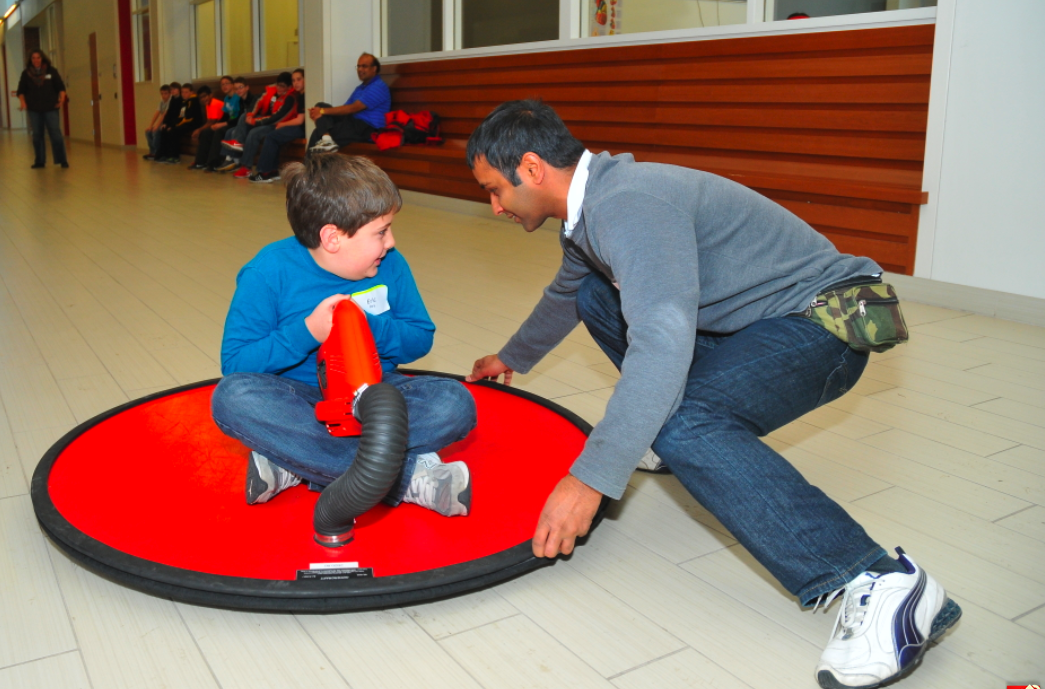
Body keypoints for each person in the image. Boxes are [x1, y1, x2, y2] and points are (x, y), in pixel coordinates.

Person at [463, 100, 961, 689]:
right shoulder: (589, 215)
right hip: (754, 326)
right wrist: (512, 357)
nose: (494, 206)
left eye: (495, 189)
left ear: (532, 167)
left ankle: (876, 581)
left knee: (686, 426)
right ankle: (670, 425)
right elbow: (567, 294)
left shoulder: (627, 205)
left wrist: (592, 475)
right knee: (596, 296)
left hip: (821, 325)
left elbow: (663, 338)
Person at [211, 153, 476, 516]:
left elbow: (420, 338)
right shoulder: (267, 271)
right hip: (300, 403)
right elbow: (237, 363)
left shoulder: (390, 265)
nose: (392, 242)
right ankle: (407, 477)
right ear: (332, 238)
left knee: (455, 403)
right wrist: (307, 332)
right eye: (381, 232)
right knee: (232, 398)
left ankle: (293, 460)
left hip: (377, 396)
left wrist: (369, 327)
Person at [307, 53, 389, 154]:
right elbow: (346, 108)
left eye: (364, 66)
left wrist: (322, 112)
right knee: (320, 105)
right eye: (358, 66)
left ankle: (325, 142)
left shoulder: (378, 86)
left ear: (374, 69)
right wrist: (320, 111)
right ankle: (326, 138)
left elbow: (353, 108)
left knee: (317, 133)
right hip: (352, 121)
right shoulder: (360, 88)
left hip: (366, 128)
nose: (360, 69)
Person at [230, 71, 302, 179]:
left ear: (288, 87)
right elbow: (258, 101)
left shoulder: (290, 97)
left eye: (282, 86)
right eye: (278, 85)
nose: (279, 88)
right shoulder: (272, 91)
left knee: (254, 133)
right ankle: (237, 144)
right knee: (242, 119)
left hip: (278, 124)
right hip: (269, 120)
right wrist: (251, 115)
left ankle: (247, 167)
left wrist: (256, 121)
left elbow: (278, 117)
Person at [251, 68, 306, 183]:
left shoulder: (305, 96)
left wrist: (283, 124)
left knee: (272, 136)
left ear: (306, 79)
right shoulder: (299, 95)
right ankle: (272, 171)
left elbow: (300, 121)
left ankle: (265, 172)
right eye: (293, 80)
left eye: (299, 79)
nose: (296, 82)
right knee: (273, 136)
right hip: (298, 126)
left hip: (302, 129)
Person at [16, 49, 69, 169]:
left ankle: (62, 160)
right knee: (37, 135)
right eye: (33, 58)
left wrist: (62, 99)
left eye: (38, 58)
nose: (36, 60)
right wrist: (23, 102)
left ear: (42, 58)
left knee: (55, 133)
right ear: (30, 60)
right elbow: (21, 91)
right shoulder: (26, 73)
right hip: (34, 109)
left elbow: (60, 87)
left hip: (51, 107)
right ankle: (39, 161)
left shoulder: (51, 71)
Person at [213, 77, 261, 172]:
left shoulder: (253, 98)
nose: (238, 90)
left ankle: (236, 152)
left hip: (255, 123)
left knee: (237, 125)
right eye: (236, 88)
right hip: (245, 125)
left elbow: (252, 115)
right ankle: (230, 159)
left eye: (241, 87)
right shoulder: (240, 100)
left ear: (247, 87)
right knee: (230, 131)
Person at [189, 75, 236, 171]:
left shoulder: (236, 98)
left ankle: (213, 163)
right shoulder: (227, 98)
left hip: (233, 123)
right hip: (226, 122)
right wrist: (218, 123)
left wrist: (220, 124)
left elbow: (235, 116)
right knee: (206, 132)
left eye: (226, 83)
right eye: (222, 84)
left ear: (232, 85)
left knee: (217, 131)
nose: (224, 86)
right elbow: (225, 115)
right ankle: (200, 162)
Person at [157, 83, 203, 163]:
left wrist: (174, 125)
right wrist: (168, 124)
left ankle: (174, 156)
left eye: (186, 92)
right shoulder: (184, 101)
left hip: (192, 123)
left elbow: (188, 118)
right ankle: (164, 154)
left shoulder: (193, 101)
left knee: (173, 131)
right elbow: (179, 115)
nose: (184, 94)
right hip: (184, 122)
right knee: (165, 129)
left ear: (191, 92)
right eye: (182, 92)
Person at [143, 84, 173, 161]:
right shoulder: (161, 102)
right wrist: (150, 126)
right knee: (148, 132)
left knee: (156, 131)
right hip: (162, 123)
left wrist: (157, 126)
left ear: (170, 93)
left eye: (165, 93)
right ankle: (152, 151)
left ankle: (158, 152)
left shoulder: (171, 101)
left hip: (168, 123)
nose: (163, 95)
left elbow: (164, 115)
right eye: (162, 93)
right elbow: (157, 113)